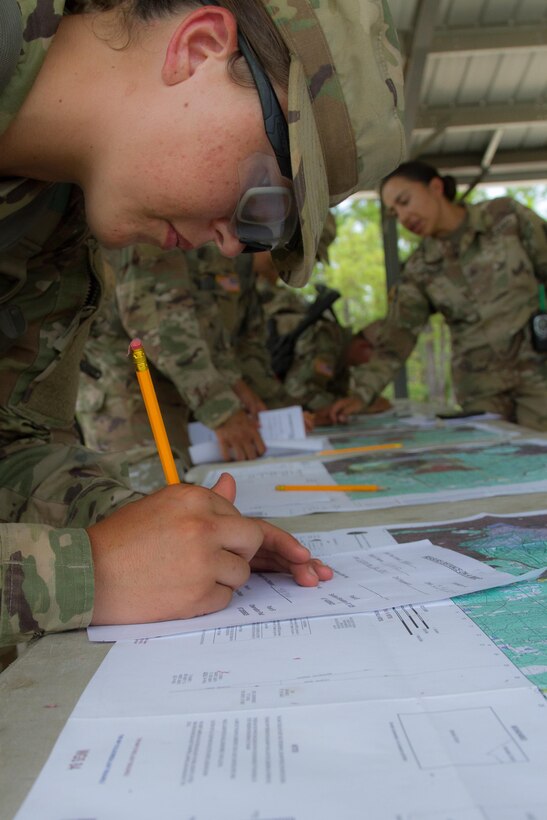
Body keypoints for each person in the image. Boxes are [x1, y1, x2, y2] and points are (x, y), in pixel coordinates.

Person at [0, 0, 405, 645]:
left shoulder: (54, 228)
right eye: (264, 206)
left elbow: (10, 455)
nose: (229, 246)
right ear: (199, 47)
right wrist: (87, 572)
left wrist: (152, 529)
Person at [326, 161, 547, 430]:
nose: (404, 217)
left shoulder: (505, 217)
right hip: (481, 393)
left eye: (405, 201)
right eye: (395, 213)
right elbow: (396, 339)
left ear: (436, 187)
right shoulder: (419, 269)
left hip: (538, 377)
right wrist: (361, 395)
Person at [77, 243, 295, 465]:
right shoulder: (160, 231)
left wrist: (237, 388)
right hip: (129, 399)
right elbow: (164, 329)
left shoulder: (213, 252)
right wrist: (222, 411)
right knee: (152, 494)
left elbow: (211, 332)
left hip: (176, 396)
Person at [256, 251, 391, 423]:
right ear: (365, 348)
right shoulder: (327, 340)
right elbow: (302, 394)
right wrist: (362, 405)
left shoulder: (341, 358)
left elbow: (334, 393)